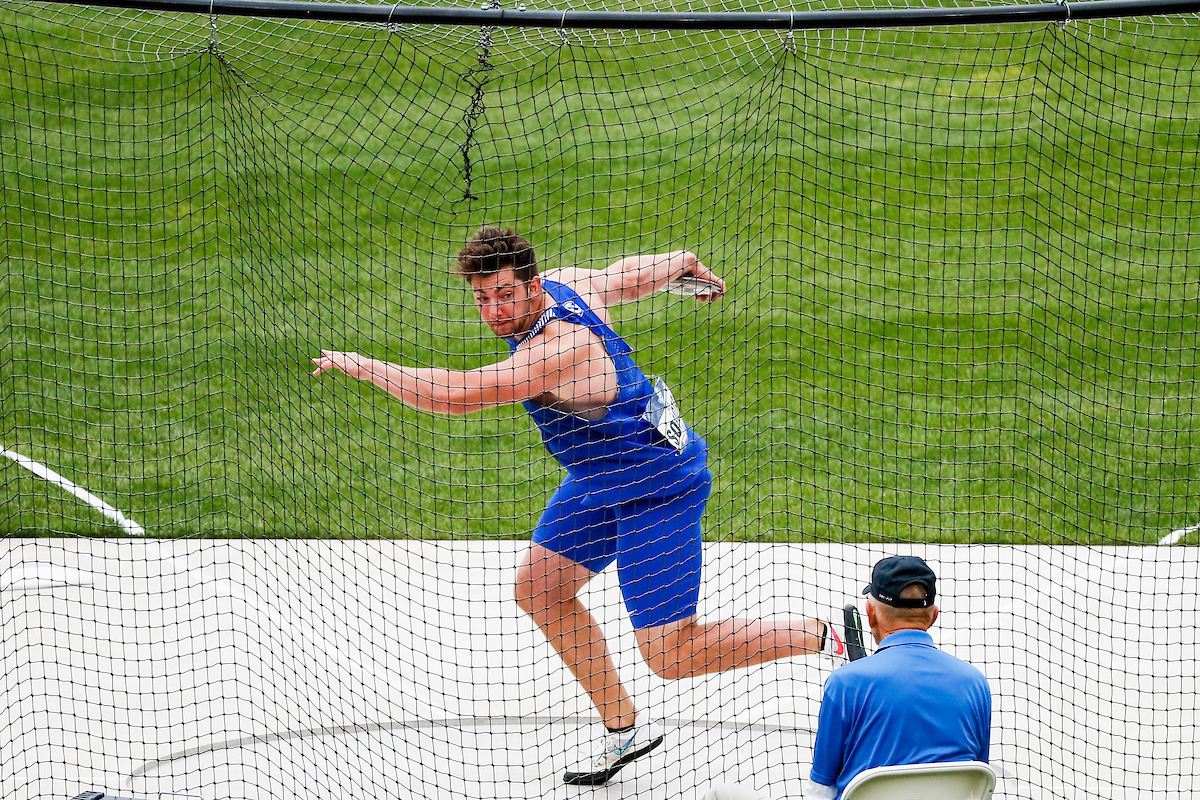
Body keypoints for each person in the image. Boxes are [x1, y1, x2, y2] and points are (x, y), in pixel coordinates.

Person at [312, 226, 855, 786]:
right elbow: (627, 276)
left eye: (504, 295)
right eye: (482, 299)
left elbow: (459, 394)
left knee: (669, 654)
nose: (494, 311)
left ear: (530, 284)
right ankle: (625, 732)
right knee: (541, 591)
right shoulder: (568, 284)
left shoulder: (558, 349)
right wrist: (684, 264)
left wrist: (364, 366)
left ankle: (833, 634)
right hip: (599, 478)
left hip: (656, 485)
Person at [698, 555, 990, 800]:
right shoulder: (975, 684)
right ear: (933, 616)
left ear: (870, 615)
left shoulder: (845, 684)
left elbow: (821, 790)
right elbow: (976, 780)